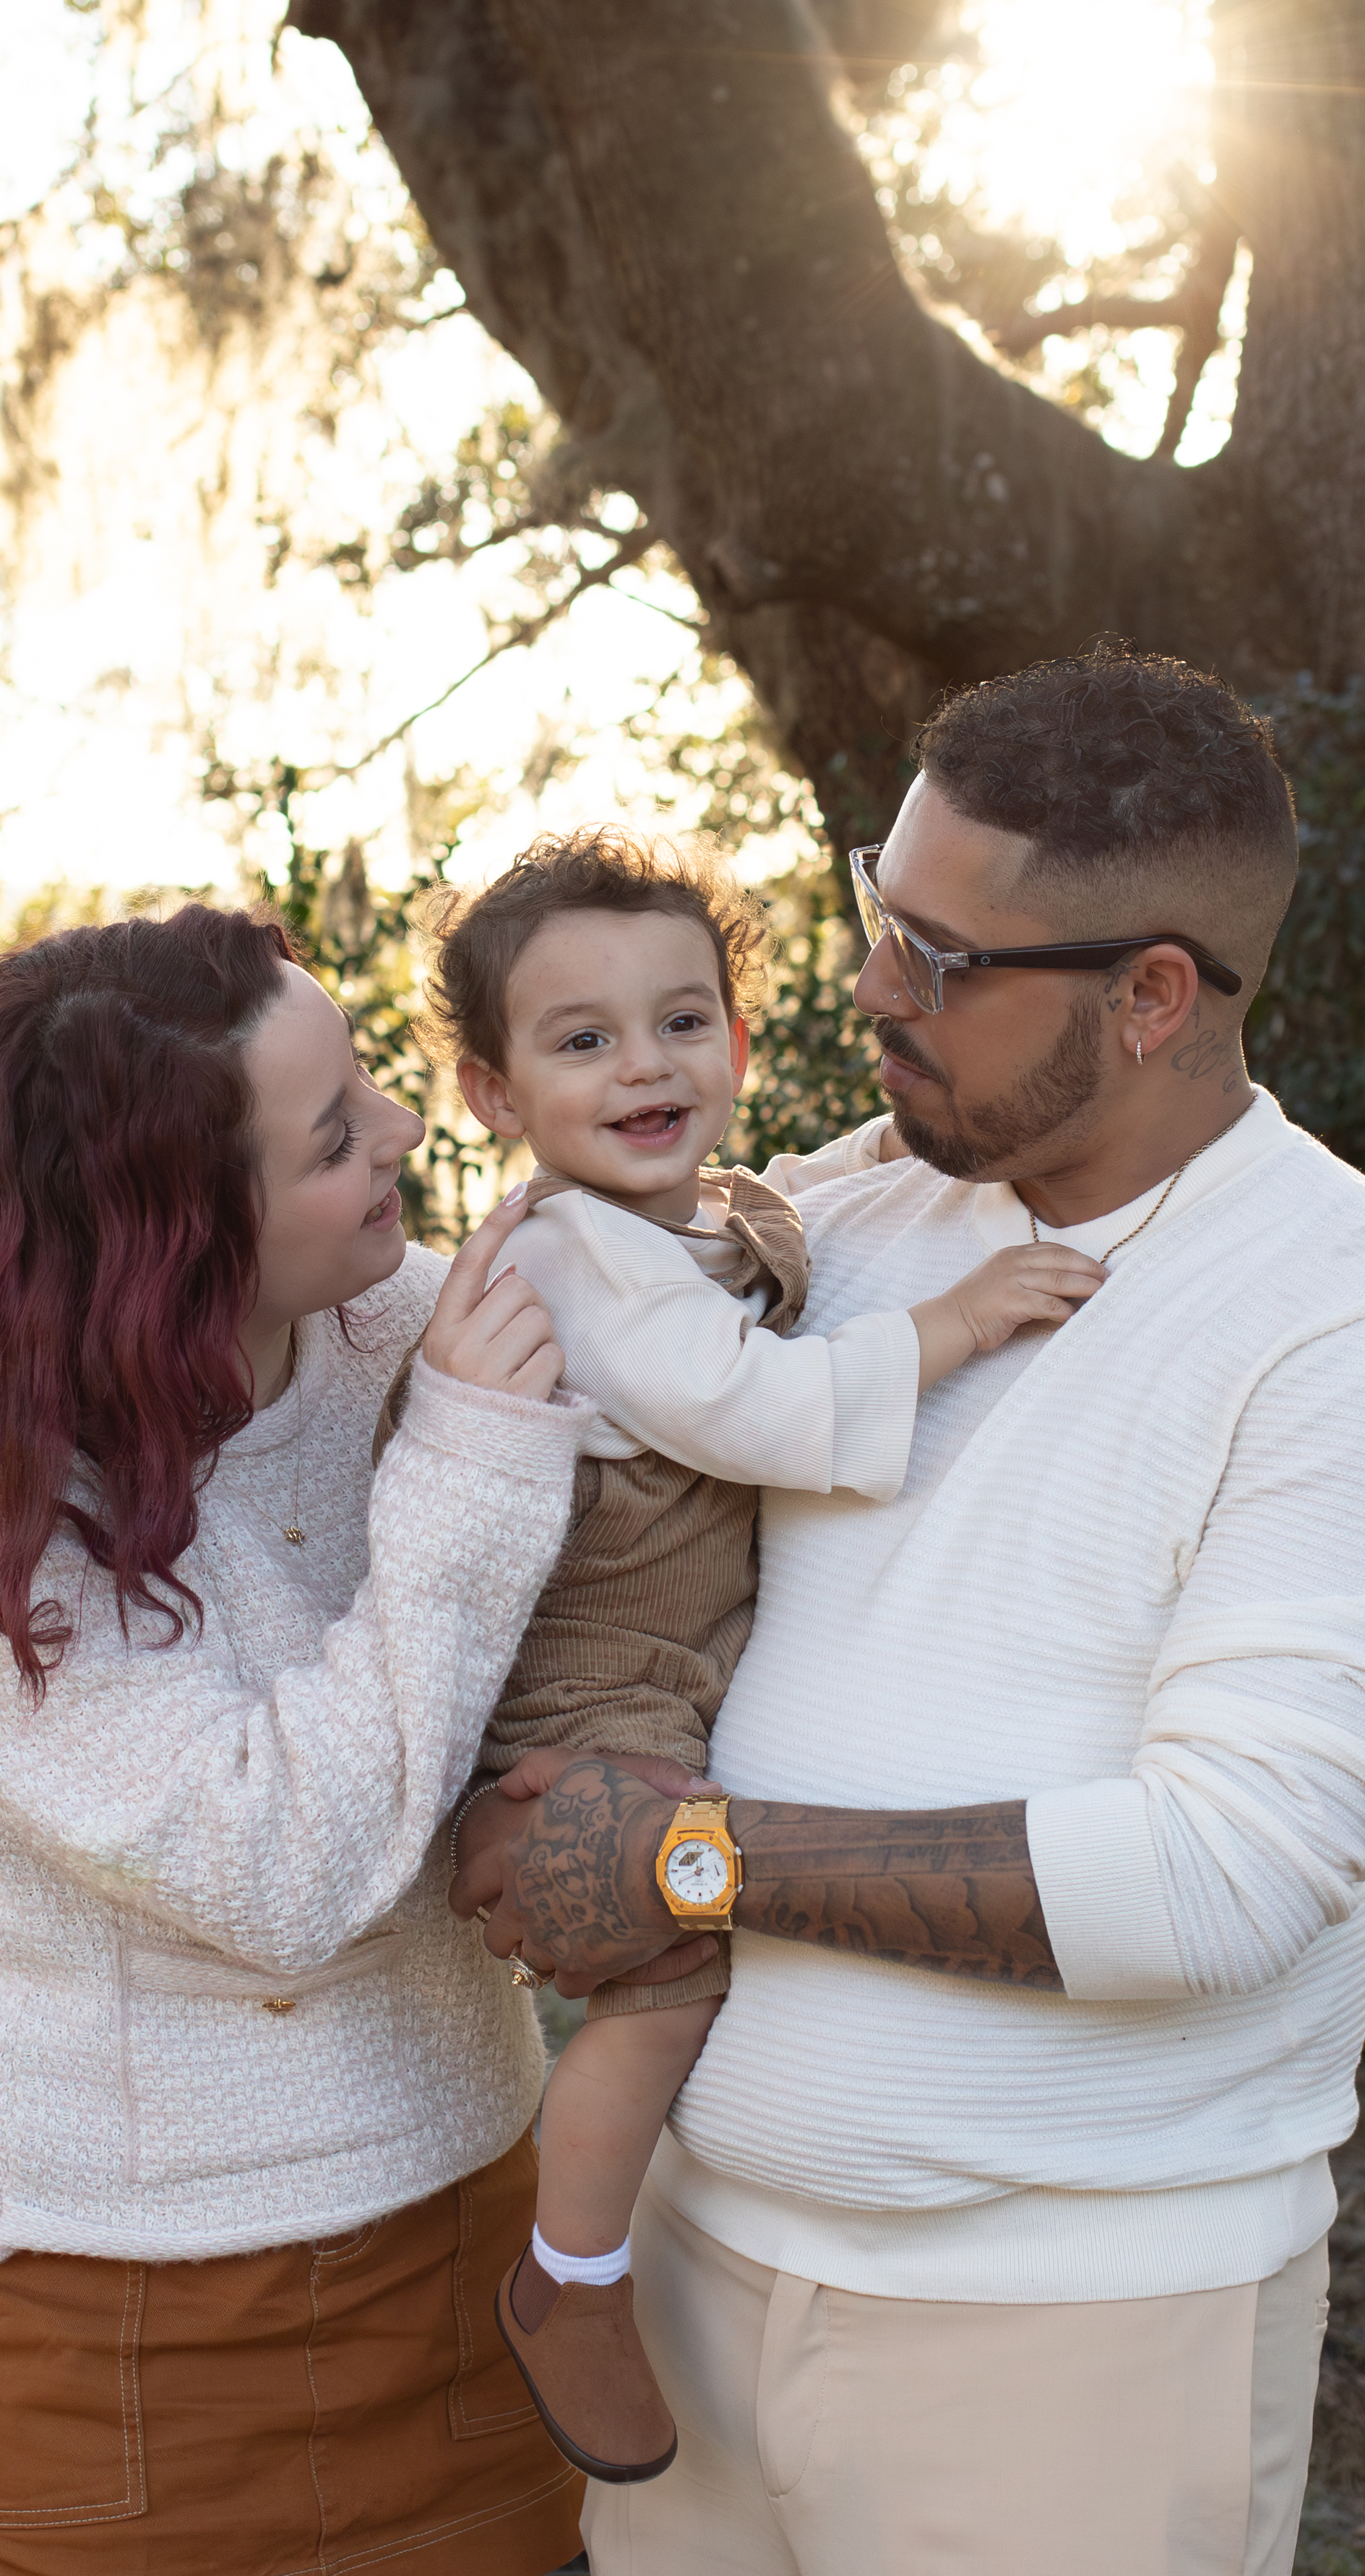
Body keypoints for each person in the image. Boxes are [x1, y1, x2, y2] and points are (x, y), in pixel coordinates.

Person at [455, 647, 1365, 2576]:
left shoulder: (1358, 1329)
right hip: (689, 2268)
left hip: (1069, 2340)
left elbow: (1214, 1881)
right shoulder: (838, 1214)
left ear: (1151, 998)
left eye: (945, 963)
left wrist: (683, 1865)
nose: (875, 993)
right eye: (883, 917)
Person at [0, 903, 593, 2576]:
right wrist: (475, 1468)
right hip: (106, 2311)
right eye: (330, 1138)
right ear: (169, 1237)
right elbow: (275, 1870)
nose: (404, 1134)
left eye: (364, 1082)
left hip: (457, 2229)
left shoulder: (396, 1327)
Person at [414, 830, 1099, 2485]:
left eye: (681, 1021)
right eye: (579, 1043)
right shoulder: (574, 1259)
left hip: (668, 1659)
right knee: (669, 1973)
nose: (644, 1066)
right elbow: (754, 1407)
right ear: (492, 1093)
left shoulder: (692, 1208)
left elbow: (785, 1212)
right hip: (585, 1682)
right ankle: (567, 2274)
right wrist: (951, 1321)